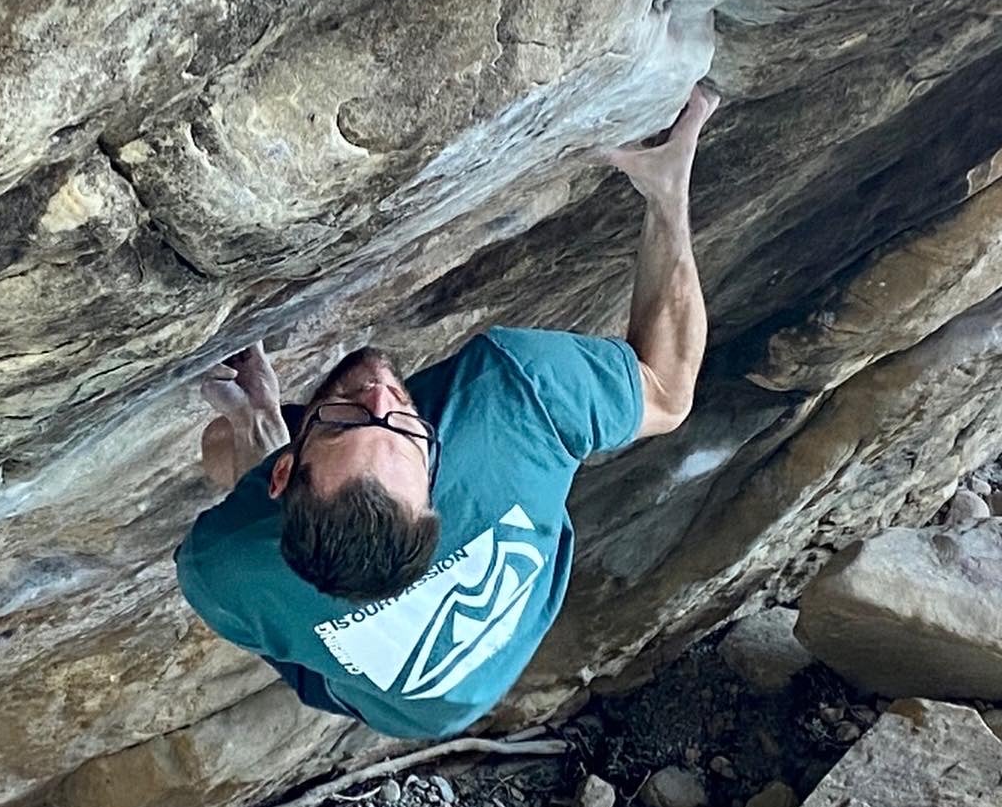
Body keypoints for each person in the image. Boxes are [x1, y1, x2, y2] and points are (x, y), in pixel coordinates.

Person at [176, 83, 718, 739]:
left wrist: (265, 432)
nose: (379, 393)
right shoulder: (516, 401)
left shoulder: (224, 567)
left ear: (285, 473)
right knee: (224, 444)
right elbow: (667, 392)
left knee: (218, 444)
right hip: (440, 701)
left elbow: (667, 398)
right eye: (397, 425)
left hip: (413, 710)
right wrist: (668, 196)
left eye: (354, 420)